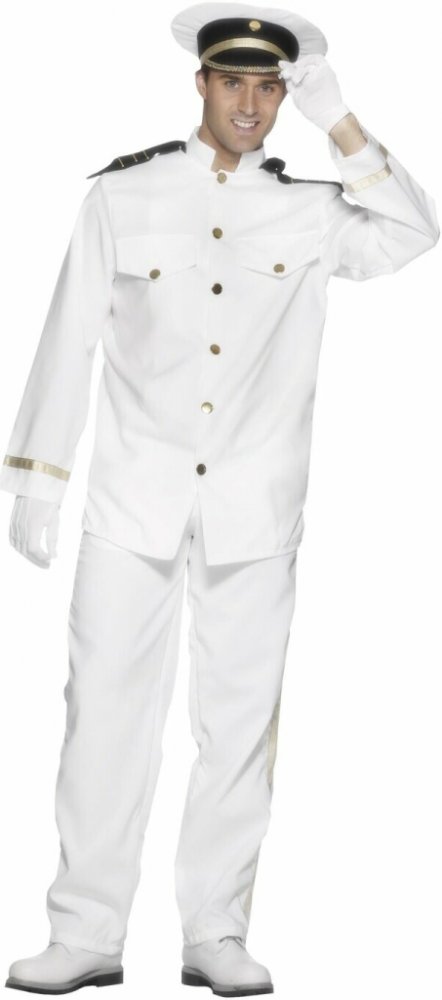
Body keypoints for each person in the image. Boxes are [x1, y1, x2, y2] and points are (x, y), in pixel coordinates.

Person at [1, 1, 439, 995]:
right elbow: (67, 333)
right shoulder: (123, 195)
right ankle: (85, 931)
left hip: (256, 507)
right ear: (199, 81)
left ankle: (215, 933)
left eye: (270, 87)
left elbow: (416, 231)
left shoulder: (312, 210)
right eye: (234, 81)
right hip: (130, 501)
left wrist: (340, 120)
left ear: (286, 95)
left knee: (238, 727)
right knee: (101, 715)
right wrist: (37, 479)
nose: (251, 104)